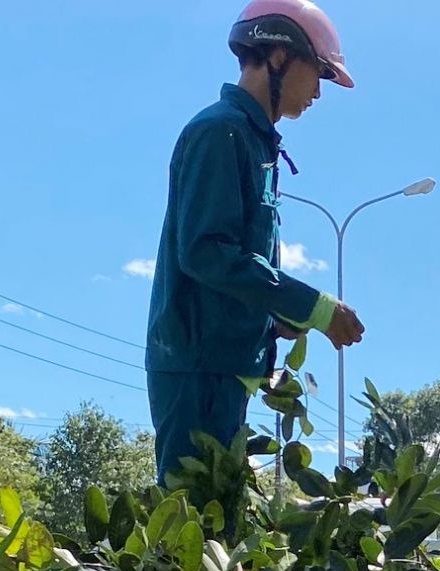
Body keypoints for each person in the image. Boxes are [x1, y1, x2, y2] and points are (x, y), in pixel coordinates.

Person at [145, 0, 366, 484]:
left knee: (217, 528)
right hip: (200, 366)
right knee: (193, 533)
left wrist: (275, 317)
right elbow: (207, 252)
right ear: (280, 57)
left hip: (222, 364)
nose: (318, 93)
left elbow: (235, 267)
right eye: (320, 73)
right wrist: (314, 307)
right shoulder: (219, 131)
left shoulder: (251, 140)